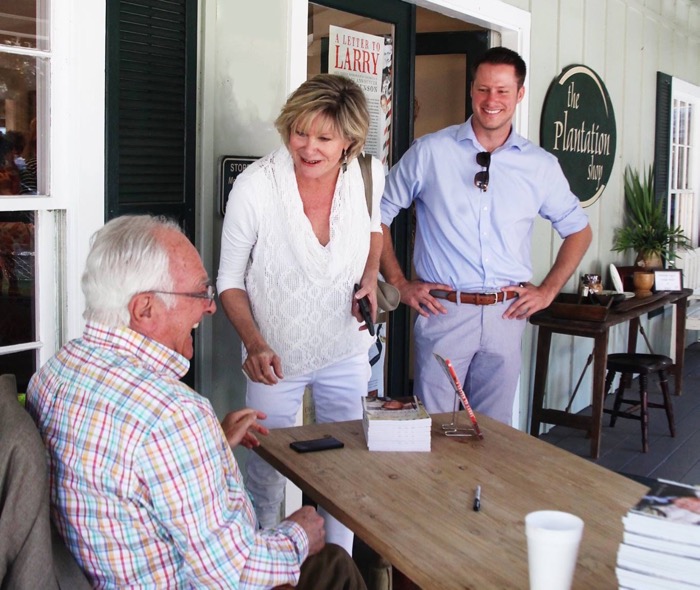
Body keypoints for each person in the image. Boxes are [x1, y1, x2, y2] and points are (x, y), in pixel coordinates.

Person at [27, 215, 366, 589]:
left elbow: (119, 472)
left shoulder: (55, 372)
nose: (210, 308)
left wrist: (208, 445)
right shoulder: (172, 415)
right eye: (199, 293)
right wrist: (300, 533)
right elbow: (234, 574)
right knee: (333, 563)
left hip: (96, 573)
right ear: (144, 309)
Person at [380, 47, 592, 425]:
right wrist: (398, 283)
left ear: (519, 94)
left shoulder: (540, 166)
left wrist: (547, 291)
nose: (491, 100)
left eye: (502, 91)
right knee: (433, 429)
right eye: (482, 90)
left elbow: (578, 230)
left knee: (495, 437)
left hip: (506, 314)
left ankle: (485, 489)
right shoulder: (431, 152)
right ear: (472, 91)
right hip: (444, 312)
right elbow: (376, 216)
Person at [217, 73, 384, 555]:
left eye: (324, 138)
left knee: (345, 466)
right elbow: (229, 279)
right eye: (299, 132)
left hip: (346, 347)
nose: (308, 148)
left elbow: (374, 230)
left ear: (349, 141)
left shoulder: (370, 174)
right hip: (274, 357)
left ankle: (337, 569)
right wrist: (254, 342)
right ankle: (267, 572)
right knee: (266, 469)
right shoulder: (255, 186)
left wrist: (370, 276)